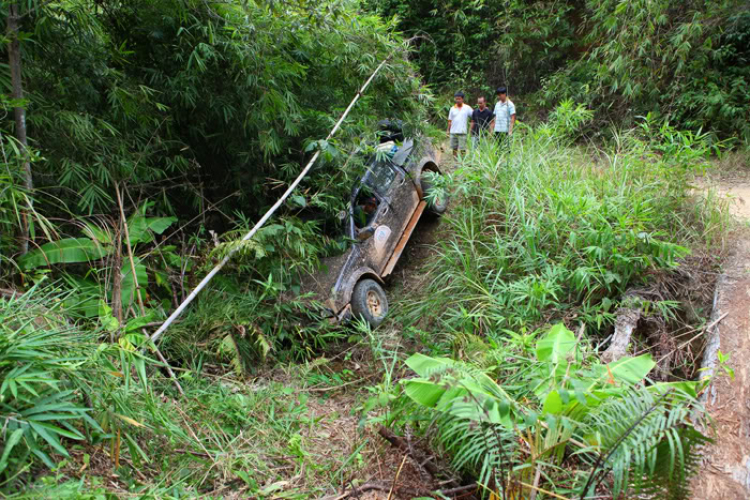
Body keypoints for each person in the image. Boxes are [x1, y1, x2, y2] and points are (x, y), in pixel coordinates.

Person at [447, 91, 473, 157]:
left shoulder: (467, 108)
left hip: (462, 131)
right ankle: (455, 160)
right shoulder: (452, 108)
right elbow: (450, 120)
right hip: (453, 131)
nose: (457, 100)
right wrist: (448, 130)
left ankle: (462, 161)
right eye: (456, 99)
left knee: (463, 148)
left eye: (459, 99)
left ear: (462, 99)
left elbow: (474, 115)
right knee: (454, 148)